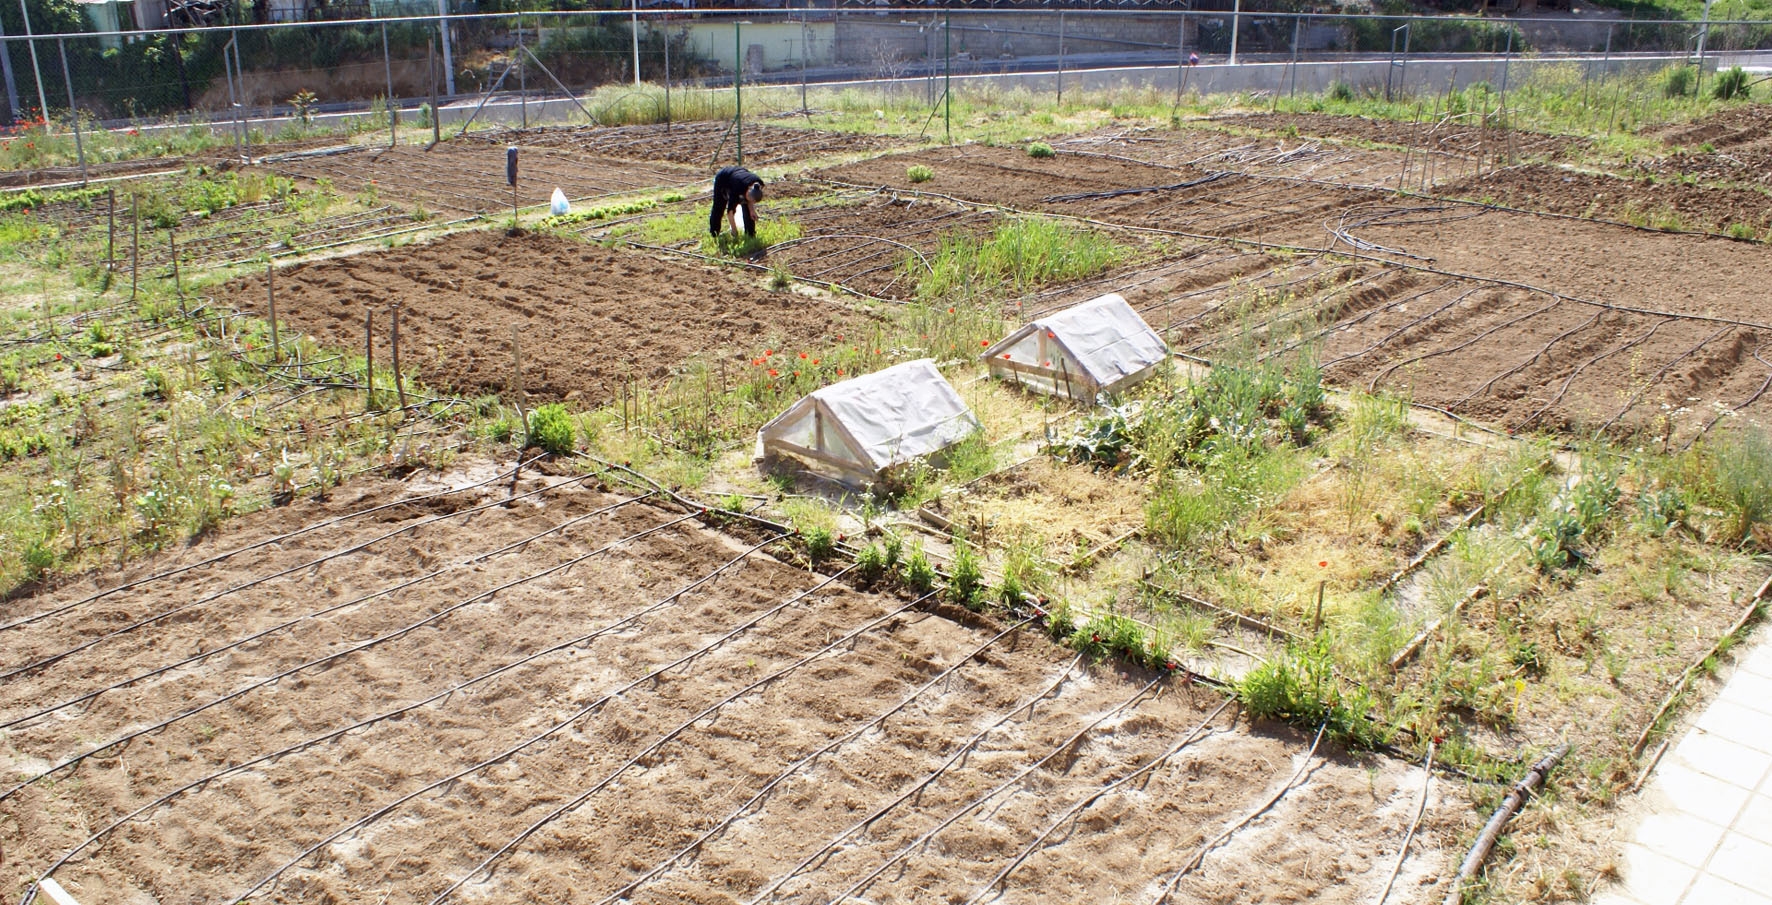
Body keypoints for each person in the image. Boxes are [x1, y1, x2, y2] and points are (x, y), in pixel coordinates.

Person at [710, 166, 765, 239]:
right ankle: (714, 233)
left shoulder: (759, 184)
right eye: (749, 199)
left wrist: (752, 210)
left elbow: (750, 199)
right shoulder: (736, 190)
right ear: (747, 191)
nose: (750, 202)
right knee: (719, 206)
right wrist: (734, 230)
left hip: (739, 173)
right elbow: (730, 212)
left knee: (747, 208)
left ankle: (750, 234)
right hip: (723, 178)